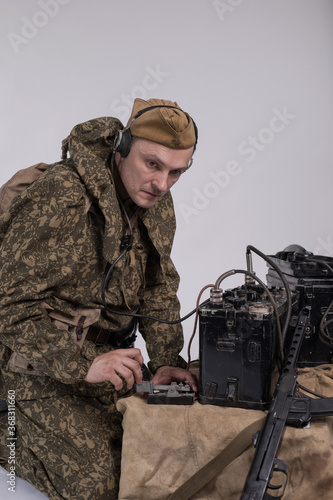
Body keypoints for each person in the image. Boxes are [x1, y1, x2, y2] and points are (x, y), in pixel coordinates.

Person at [0, 98, 199, 499]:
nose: (162, 184)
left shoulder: (155, 202)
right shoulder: (62, 196)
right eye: (152, 164)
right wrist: (84, 362)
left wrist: (164, 362)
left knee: (166, 453)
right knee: (103, 482)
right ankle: (8, 429)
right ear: (122, 146)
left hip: (108, 365)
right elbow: (8, 307)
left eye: (176, 172)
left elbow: (158, 285)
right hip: (30, 368)